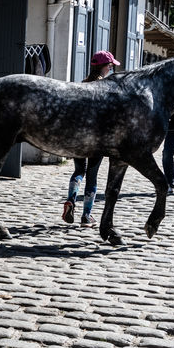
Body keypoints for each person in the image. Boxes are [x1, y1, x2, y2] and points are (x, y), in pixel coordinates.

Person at [61, 50, 118, 225]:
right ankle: (86, 216)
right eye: (110, 66)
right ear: (104, 67)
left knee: (79, 171)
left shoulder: (82, 85)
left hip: (78, 136)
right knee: (92, 176)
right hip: (97, 139)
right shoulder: (105, 87)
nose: (110, 69)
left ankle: (71, 199)